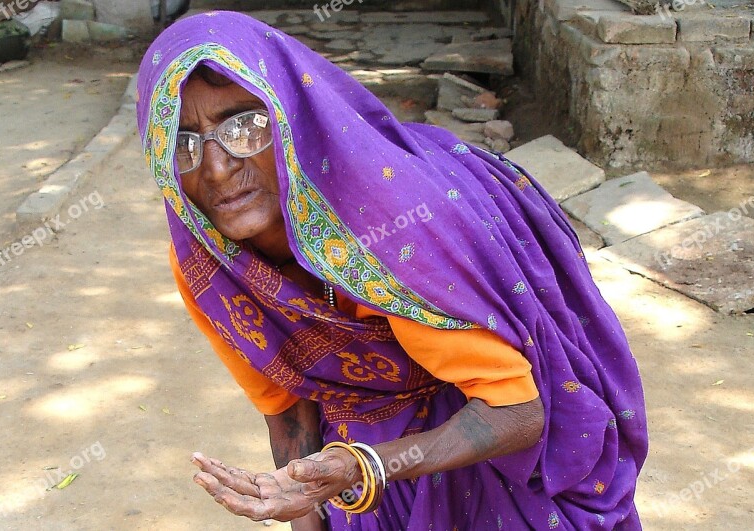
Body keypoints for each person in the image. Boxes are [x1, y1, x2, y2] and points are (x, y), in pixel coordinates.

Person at [136, 11, 647, 530]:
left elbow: (516, 412)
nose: (217, 168)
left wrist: (368, 465)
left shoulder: (382, 229)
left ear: (292, 118)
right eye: (183, 143)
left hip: (480, 445)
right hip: (357, 461)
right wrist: (310, 510)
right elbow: (289, 414)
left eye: (245, 126)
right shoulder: (206, 260)